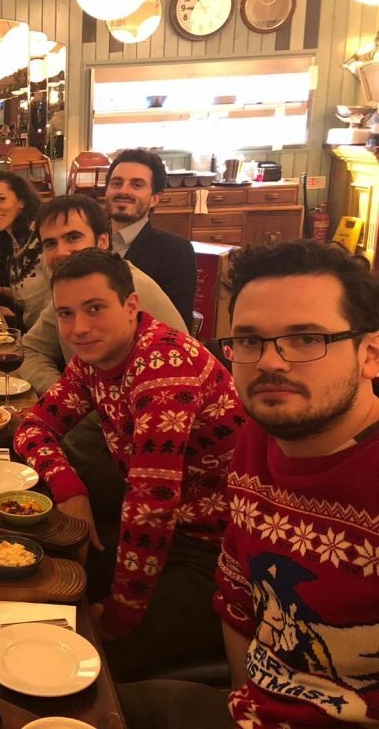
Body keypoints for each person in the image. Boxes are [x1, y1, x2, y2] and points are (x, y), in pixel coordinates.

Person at [122, 241, 379, 729]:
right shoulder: (256, 440)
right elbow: (239, 602)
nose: (270, 362)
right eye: (249, 340)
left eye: (305, 338)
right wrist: (247, 709)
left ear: (370, 354)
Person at [14, 248, 245, 682]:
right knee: (42, 582)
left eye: (95, 309)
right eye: (66, 313)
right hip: (156, 530)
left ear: (130, 306)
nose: (79, 328)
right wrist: (71, 490)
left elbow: (153, 506)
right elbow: (31, 428)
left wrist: (119, 617)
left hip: (217, 550)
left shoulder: (163, 365)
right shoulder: (95, 358)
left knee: (87, 663)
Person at [18, 194, 188, 533]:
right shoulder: (76, 290)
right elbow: (31, 351)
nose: (61, 252)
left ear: (104, 241)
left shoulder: (127, 301)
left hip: (182, 512)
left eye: (73, 237)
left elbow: (150, 510)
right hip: (108, 452)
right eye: (50, 243)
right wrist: (64, 398)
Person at [105, 148, 197, 329]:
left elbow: (175, 329)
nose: (123, 191)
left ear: (155, 198)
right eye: (116, 183)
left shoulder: (175, 252)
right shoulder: (89, 242)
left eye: (136, 185)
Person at [0, 170, 50, 330]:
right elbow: (32, 291)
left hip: (50, 339)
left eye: (0, 199)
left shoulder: (42, 238)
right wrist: (1, 290)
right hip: (32, 334)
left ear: (21, 202)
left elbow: (58, 298)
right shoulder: (14, 243)